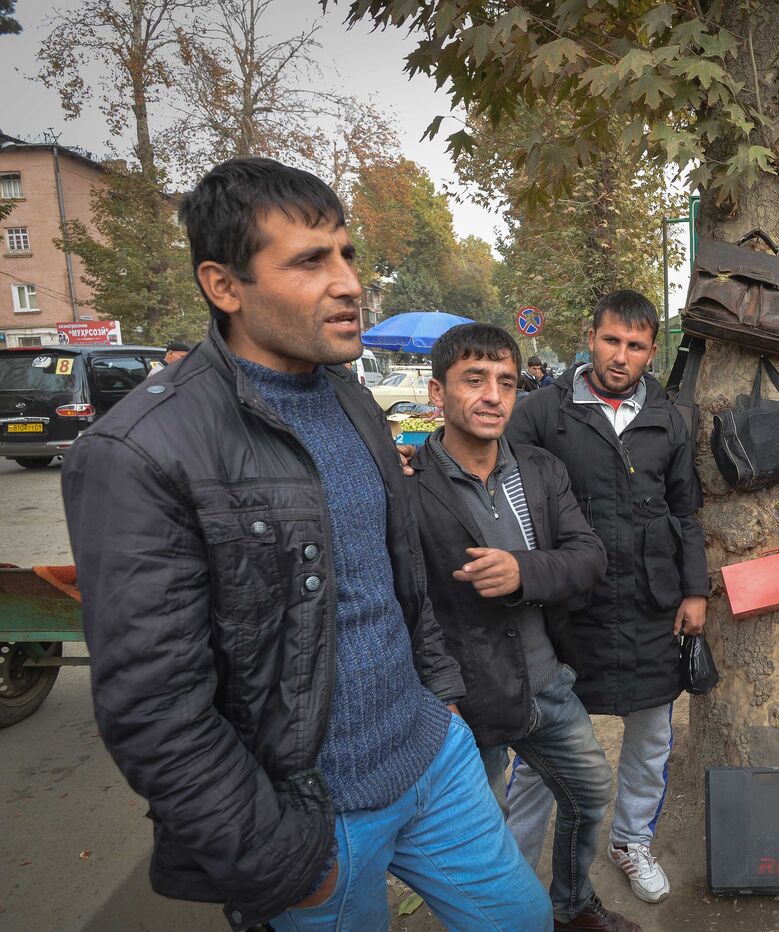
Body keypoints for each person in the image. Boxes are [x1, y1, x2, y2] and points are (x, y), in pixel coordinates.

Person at [61, 158, 550, 931]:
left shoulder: (353, 401)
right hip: (312, 820)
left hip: (432, 759)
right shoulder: (141, 451)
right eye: (310, 261)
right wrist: (283, 861)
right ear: (225, 286)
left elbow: (398, 578)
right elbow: (154, 709)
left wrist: (440, 697)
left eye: (347, 254)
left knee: (523, 918)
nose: (350, 282)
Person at [404, 322, 636, 932]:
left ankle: (571, 906)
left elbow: (589, 555)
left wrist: (522, 570)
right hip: (468, 702)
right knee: (478, 844)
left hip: (549, 684)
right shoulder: (407, 488)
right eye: (473, 380)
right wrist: (438, 693)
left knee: (589, 796)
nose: (492, 396)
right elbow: (407, 602)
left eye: (506, 382)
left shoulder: (538, 469)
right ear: (437, 394)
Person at [506, 289, 709, 905]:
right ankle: (511, 864)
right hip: (569, 611)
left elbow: (686, 511)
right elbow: (494, 478)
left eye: (636, 346)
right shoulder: (543, 412)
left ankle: (631, 841)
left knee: (651, 736)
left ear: (652, 353)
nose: (621, 356)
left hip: (652, 603)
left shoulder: (670, 419)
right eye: (612, 340)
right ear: (591, 338)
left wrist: (695, 590)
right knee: (546, 743)